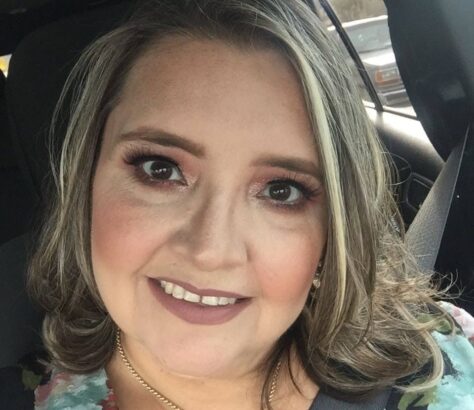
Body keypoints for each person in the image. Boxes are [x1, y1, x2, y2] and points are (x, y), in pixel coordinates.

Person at [2, 0, 473, 409]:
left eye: (281, 191)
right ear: (85, 184)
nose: (210, 251)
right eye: (160, 169)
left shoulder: (439, 363)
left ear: (332, 230)